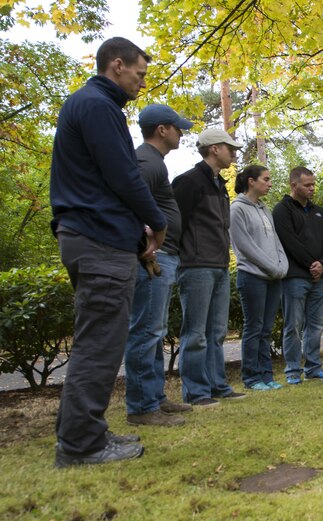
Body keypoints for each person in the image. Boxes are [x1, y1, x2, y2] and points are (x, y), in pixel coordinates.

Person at [50, 37, 167, 467]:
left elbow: (104, 179)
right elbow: (123, 175)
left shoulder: (89, 105)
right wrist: (156, 220)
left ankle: (83, 434)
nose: (141, 82)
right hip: (98, 241)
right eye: (139, 73)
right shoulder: (98, 107)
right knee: (99, 344)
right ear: (116, 65)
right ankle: (82, 446)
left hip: (95, 235)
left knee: (96, 341)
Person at [124, 104, 195, 427]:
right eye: (177, 127)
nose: (181, 133)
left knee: (154, 330)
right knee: (145, 330)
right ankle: (141, 406)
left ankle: (154, 398)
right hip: (155, 257)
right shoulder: (145, 161)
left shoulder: (155, 162)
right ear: (162, 130)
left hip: (163, 255)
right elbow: (128, 202)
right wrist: (145, 241)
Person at [172, 128, 247, 406]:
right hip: (195, 266)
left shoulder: (218, 184)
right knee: (195, 333)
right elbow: (174, 224)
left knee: (216, 332)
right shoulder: (188, 182)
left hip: (218, 265)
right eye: (230, 148)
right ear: (214, 149)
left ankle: (217, 386)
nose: (234, 153)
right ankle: (196, 392)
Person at [273, 166, 323, 384]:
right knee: (294, 325)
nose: (312, 188)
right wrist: (312, 264)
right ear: (294, 185)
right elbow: (289, 242)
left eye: (313, 184)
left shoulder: (319, 211)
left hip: (318, 279)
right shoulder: (282, 210)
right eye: (307, 185)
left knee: (316, 325)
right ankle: (292, 370)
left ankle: (313, 367)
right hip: (294, 277)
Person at [230, 165, 288, 390]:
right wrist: (273, 268)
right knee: (253, 328)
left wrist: (282, 265)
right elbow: (245, 247)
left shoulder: (264, 209)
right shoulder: (237, 209)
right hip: (252, 277)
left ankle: (267, 375)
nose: (270, 183)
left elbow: (275, 242)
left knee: (266, 329)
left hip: (274, 277)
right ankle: (251, 378)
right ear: (251, 182)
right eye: (266, 179)